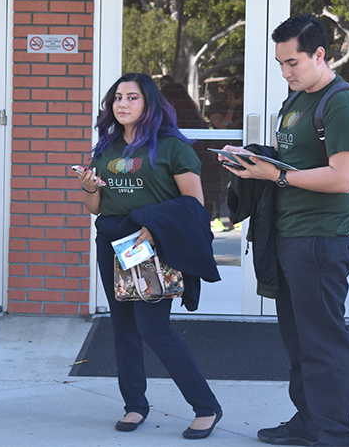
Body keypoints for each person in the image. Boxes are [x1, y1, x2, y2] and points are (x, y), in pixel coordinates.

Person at [218, 14, 349, 446]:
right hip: (288, 236)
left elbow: (344, 177)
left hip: (321, 239)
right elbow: (294, 159)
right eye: (280, 64)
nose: (285, 72)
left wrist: (277, 177)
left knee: (323, 343)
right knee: (300, 342)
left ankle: (337, 435)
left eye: (293, 63)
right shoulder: (297, 100)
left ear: (320, 54)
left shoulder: (341, 103)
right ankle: (309, 424)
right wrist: (249, 160)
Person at [79, 73, 222, 439]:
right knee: (123, 328)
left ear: (150, 104)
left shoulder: (173, 146)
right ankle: (134, 405)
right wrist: (88, 187)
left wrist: (155, 226)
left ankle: (206, 407)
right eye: (117, 98)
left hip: (150, 245)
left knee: (154, 329)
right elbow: (95, 208)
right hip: (112, 243)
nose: (122, 104)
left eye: (132, 97)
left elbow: (194, 203)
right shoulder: (106, 147)